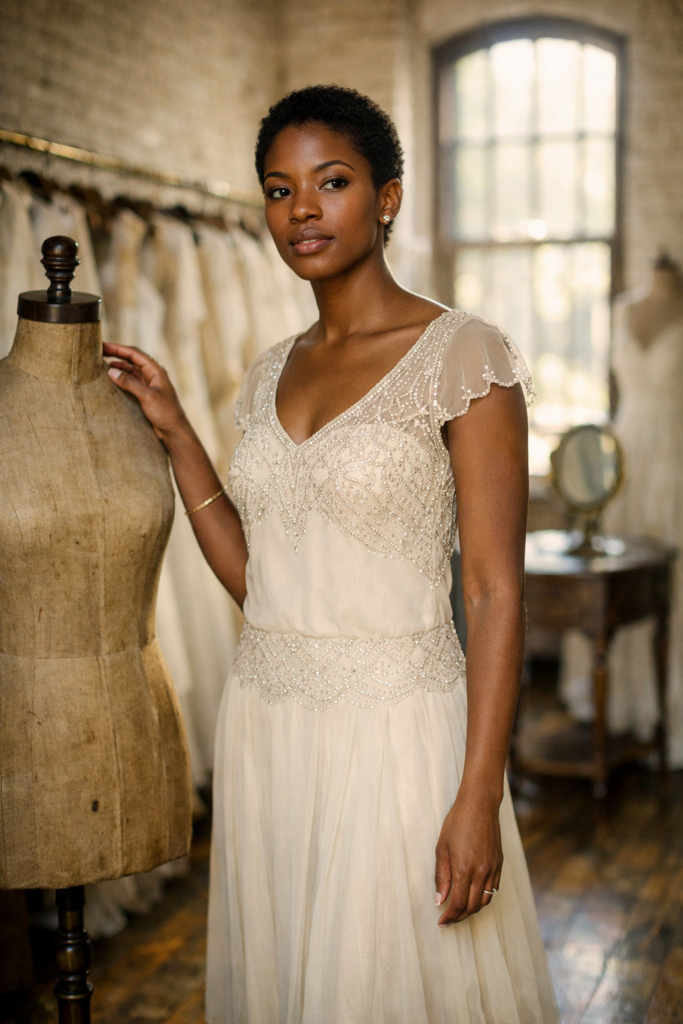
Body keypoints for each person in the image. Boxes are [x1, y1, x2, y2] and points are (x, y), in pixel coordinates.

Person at [106, 85, 559, 1024]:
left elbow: (494, 592)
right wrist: (181, 434)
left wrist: (480, 795)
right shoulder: (272, 368)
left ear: (386, 198)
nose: (301, 209)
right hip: (270, 727)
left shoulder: (464, 357)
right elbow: (257, 584)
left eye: (331, 181)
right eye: (279, 189)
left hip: (397, 734)